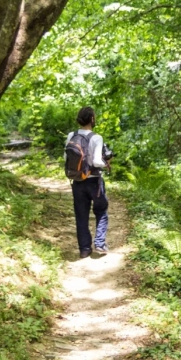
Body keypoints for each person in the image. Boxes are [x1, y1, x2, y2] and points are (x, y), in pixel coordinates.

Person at [66, 106, 110, 257]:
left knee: (81, 215)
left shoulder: (71, 135)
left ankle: (84, 249)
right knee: (101, 211)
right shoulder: (96, 138)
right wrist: (106, 163)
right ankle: (100, 244)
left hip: (78, 181)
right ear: (92, 119)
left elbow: (66, 158)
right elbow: (97, 162)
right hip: (94, 181)